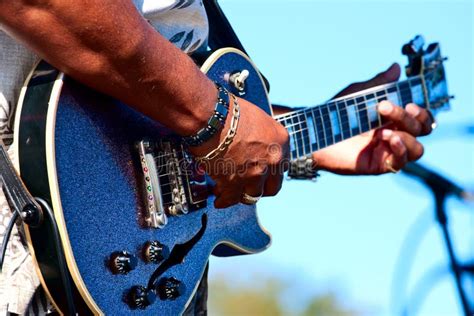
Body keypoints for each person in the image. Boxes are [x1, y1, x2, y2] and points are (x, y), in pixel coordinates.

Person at [0, 0, 433, 314]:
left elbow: (166, 107)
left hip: (138, 273)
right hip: (20, 212)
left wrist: (301, 137)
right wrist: (218, 121)